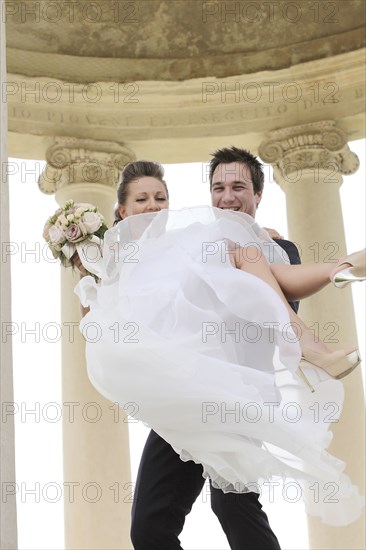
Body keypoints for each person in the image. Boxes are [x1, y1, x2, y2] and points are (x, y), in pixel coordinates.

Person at [75, 156, 365, 549]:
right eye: (219, 189)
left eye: (239, 188)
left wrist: (260, 242)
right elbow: (99, 322)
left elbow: (276, 293)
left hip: (234, 392)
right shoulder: (177, 250)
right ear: (122, 210)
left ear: (258, 194)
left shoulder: (266, 245)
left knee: (233, 506)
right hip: (181, 397)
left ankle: (331, 284)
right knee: (149, 526)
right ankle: (335, 271)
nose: (228, 198)